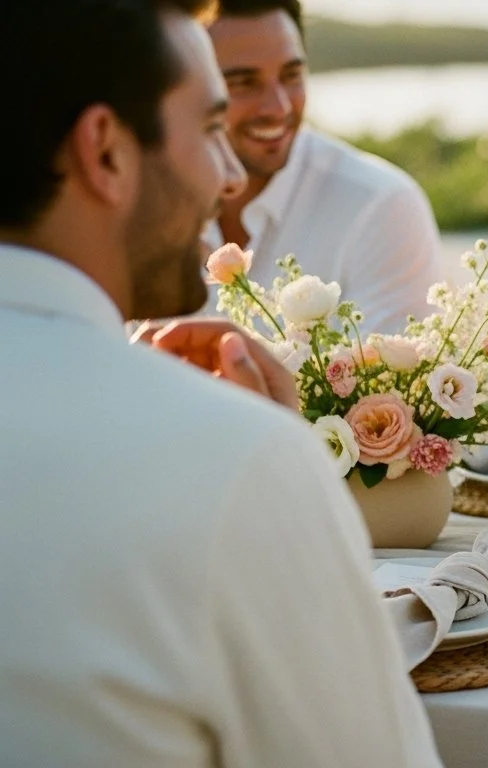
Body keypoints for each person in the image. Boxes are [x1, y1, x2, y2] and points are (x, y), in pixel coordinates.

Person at [0, 1, 441, 764]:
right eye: (210, 127)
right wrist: (263, 457)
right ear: (104, 150)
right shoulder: (239, 458)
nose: (231, 173)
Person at [203, 0, 444, 334]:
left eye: (291, 75)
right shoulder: (129, 196)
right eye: (243, 82)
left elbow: (397, 383)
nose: (279, 107)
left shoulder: (380, 207)